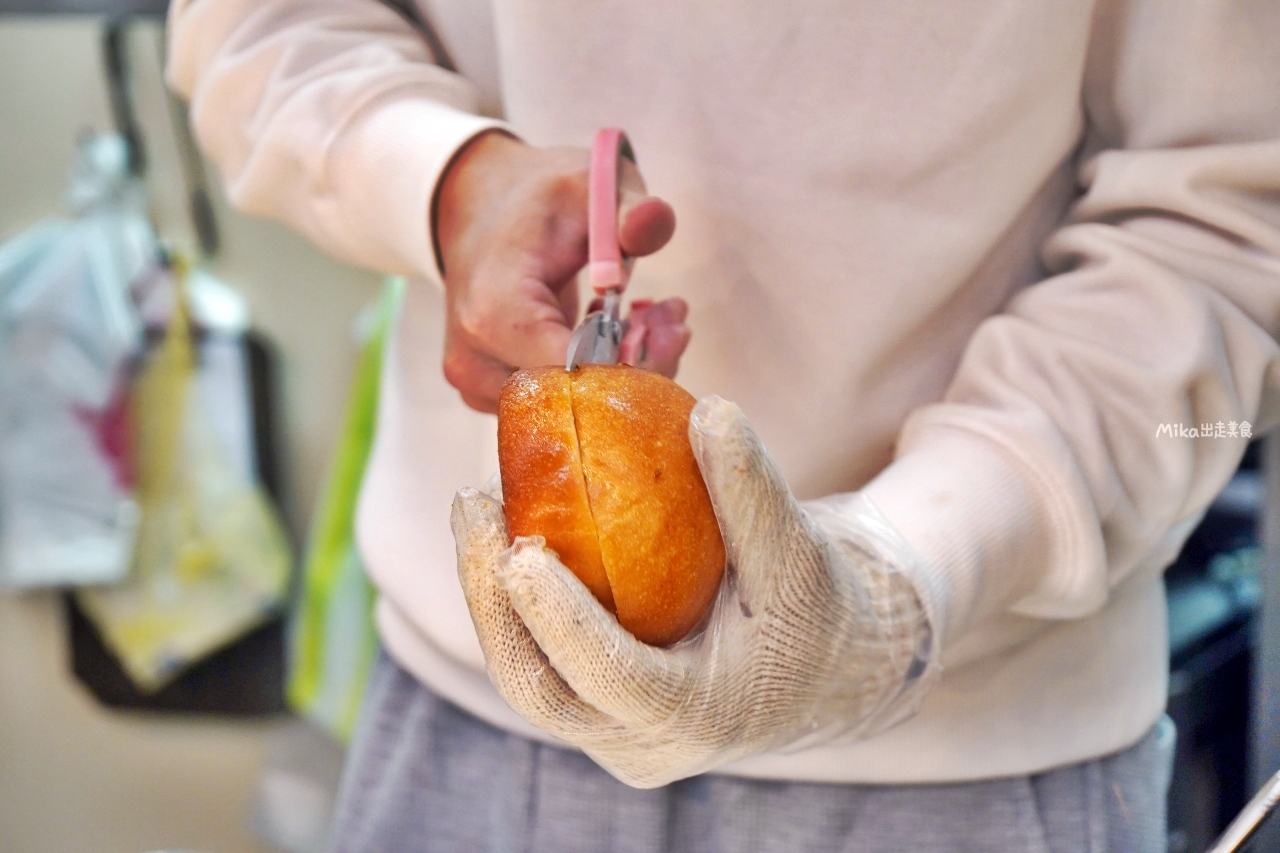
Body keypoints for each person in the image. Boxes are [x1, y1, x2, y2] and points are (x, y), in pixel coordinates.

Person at [166, 1, 1280, 850]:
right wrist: (442, 180)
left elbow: (1225, 219)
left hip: (971, 766)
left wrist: (900, 583)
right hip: (470, 726)